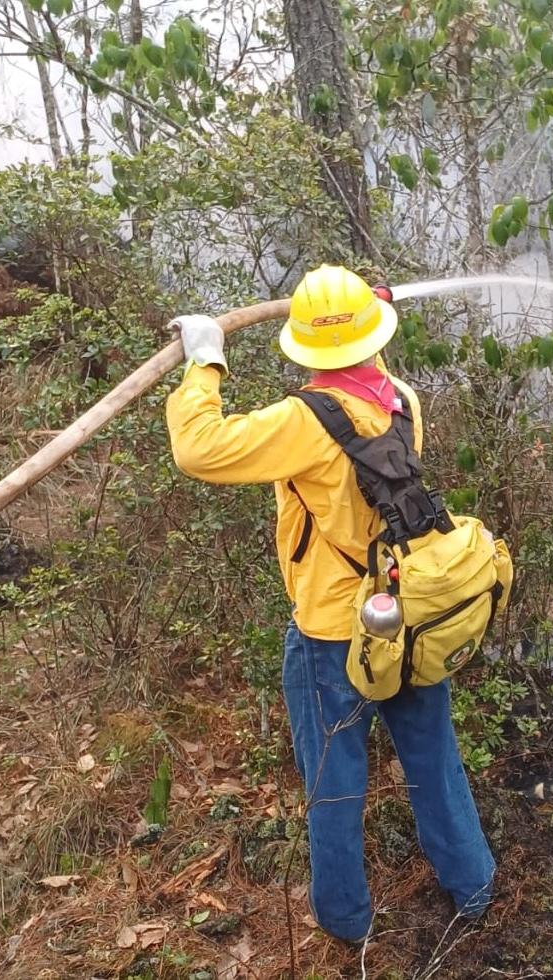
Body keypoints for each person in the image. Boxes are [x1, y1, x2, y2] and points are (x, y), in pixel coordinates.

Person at [165, 264, 495, 943]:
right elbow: (362, 384)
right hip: (406, 615)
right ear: (372, 335)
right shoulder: (401, 397)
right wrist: (359, 321)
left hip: (330, 635)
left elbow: (199, 449)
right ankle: (475, 887)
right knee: (434, 758)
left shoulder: (303, 422)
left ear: (305, 345)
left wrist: (205, 363)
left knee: (334, 781)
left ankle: (345, 924)